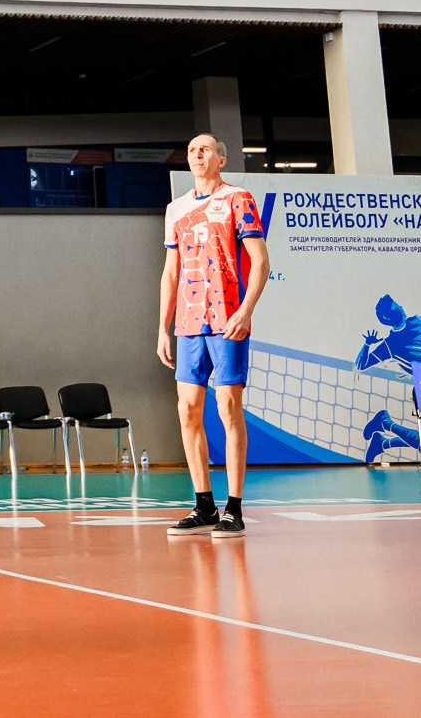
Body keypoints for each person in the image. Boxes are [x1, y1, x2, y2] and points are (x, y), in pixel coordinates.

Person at [156, 134, 270, 539]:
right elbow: (171, 273)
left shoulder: (238, 198)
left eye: (204, 149)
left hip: (227, 320)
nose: (197, 155)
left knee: (227, 407)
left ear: (221, 159)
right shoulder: (176, 209)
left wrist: (245, 310)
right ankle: (203, 505)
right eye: (191, 150)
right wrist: (163, 328)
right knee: (188, 410)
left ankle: (233, 508)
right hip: (188, 324)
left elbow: (261, 261)